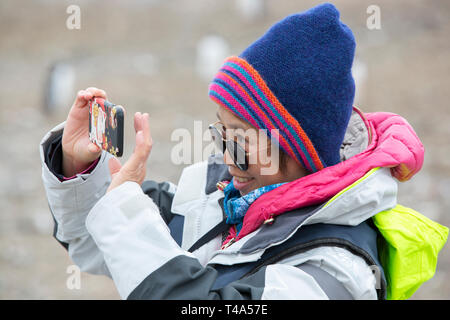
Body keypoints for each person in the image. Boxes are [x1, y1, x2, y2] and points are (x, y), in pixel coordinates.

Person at [40, 3, 447, 300]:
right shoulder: (221, 197)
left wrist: (125, 214)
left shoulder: (334, 270)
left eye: (242, 138)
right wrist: (82, 169)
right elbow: (98, 245)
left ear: (296, 145)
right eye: (221, 132)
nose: (226, 157)